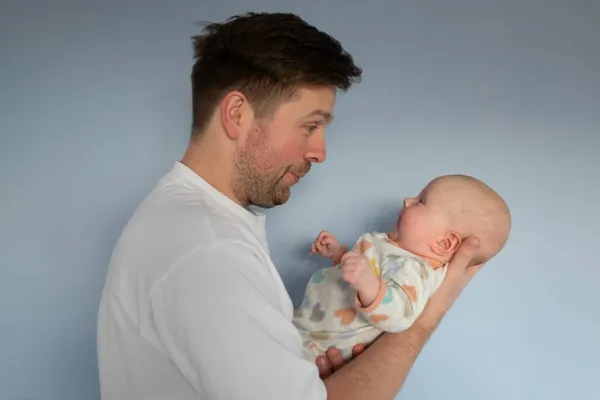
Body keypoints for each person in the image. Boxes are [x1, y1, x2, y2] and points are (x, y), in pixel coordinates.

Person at [96, 11, 485, 400]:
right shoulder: (209, 247)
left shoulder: (193, 225)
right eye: (310, 126)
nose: (319, 152)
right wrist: (426, 318)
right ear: (237, 115)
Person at [294, 174, 511, 362]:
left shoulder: (416, 270)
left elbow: (398, 314)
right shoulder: (394, 250)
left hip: (319, 346)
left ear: (445, 243)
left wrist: (368, 283)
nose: (407, 200)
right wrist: (338, 254)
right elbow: (353, 277)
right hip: (308, 328)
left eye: (421, 201)